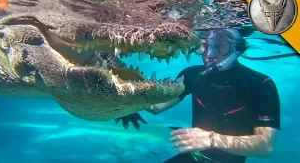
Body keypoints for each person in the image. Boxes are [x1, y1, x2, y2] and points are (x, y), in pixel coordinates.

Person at [116, 28, 281, 163]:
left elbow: (265, 147)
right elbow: (156, 107)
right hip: (193, 157)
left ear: (237, 49)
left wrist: (210, 139)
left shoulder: (261, 84)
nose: (209, 54)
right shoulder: (192, 75)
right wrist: (129, 102)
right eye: (204, 45)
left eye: (220, 45)